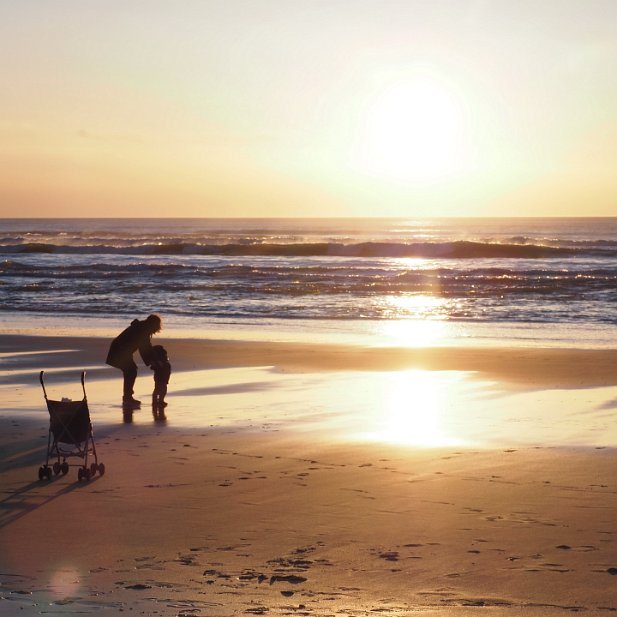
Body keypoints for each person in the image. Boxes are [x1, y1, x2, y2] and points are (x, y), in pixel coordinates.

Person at [106, 314, 162, 408]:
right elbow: (145, 348)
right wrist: (154, 361)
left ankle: (127, 397)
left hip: (121, 350)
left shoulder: (142, 327)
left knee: (130, 371)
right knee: (131, 371)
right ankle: (127, 398)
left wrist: (152, 360)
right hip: (119, 350)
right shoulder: (143, 330)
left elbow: (145, 347)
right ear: (154, 325)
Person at [150, 345, 171, 410]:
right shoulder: (158, 360)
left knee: (159, 389)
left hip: (162, 377)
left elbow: (153, 367)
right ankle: (158, 401)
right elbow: (154, 367)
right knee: (160, 389)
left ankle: (157, 401)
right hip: (161, 377)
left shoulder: (161, 358)